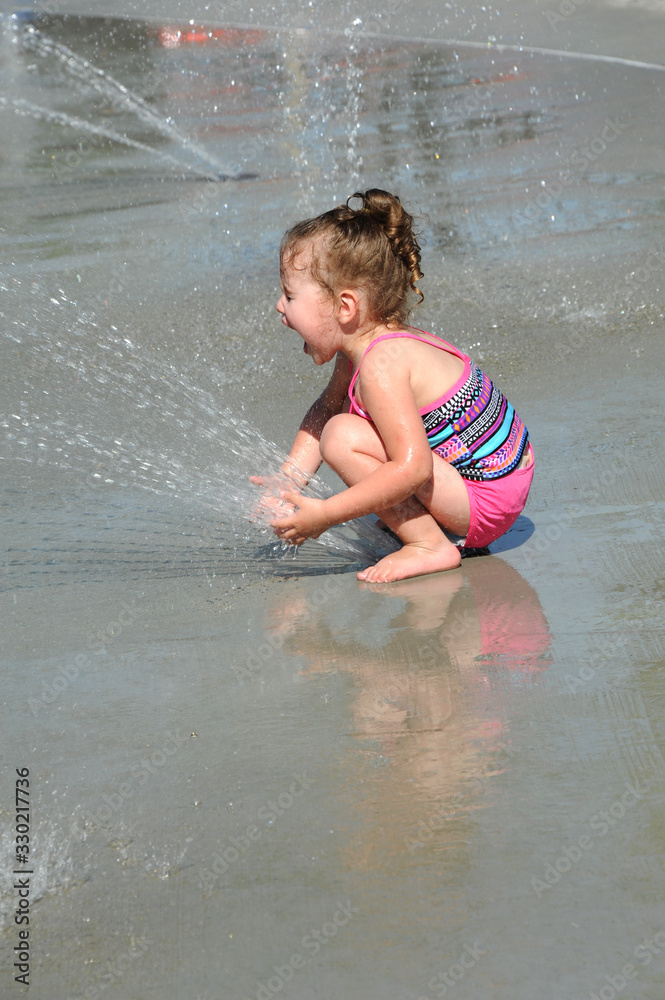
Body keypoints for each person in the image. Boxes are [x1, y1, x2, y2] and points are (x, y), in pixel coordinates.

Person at [251, 188, 534, 584]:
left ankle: (428, 544)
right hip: (499, 480)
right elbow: (327, 407)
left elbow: (413, 467)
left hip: (487, 500)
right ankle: (423, 524)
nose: (280, 306)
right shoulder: (374, 342)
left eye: (290, 295)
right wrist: (287, 480)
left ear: (345, 307)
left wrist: (326, 514)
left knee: (341, 437)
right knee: (337, 420)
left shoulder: (381, 367)